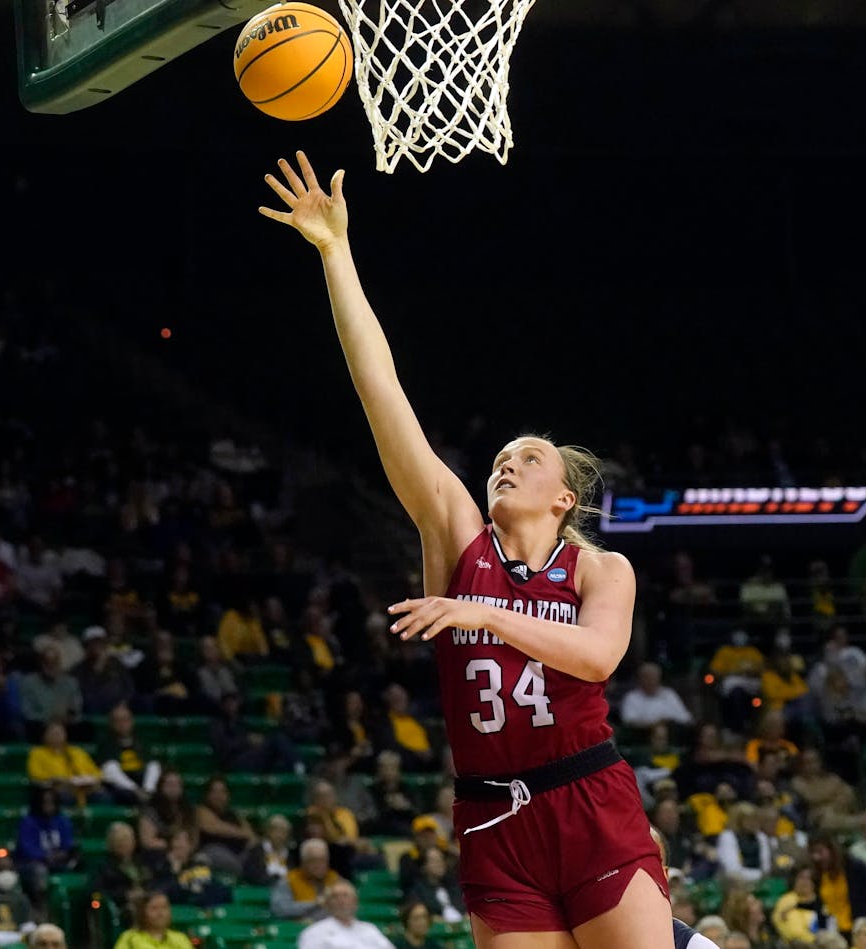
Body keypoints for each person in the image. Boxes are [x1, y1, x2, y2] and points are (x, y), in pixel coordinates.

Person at [259, 150, 670, 947]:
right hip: (491, 814)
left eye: (529, 457)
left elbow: (595, 657)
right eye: (498, 458)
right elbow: (384, 398)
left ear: (565, 497)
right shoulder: (457, 535)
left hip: (589, 800)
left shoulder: (598, 566)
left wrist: (481, 608)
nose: (505, 463)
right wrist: (336, 254)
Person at [16, 786, 81, 912]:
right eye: (45, 803)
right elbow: (26, 849)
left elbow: (68, 844)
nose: (48, 806)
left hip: (58, 862)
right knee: (39, 871)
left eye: (51, 802)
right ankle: (41, 908)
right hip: (34, 863)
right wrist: (45, 856)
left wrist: (64, 854)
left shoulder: (62, 821)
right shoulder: (28, 822)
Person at [26, 721, 104, 807]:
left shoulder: (77, 752)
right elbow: (35, 775)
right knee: (65, 797)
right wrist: (57, 780)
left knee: (103, 796)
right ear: (45, 735)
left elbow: (96, 773)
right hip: (58, 789)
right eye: (53, 733)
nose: (57, 736)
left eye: (60, 732)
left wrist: (92, 780)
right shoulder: (37, 753)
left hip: (84, 789)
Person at [297, 882, 396, 949]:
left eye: (345, 895)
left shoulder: (370, 929)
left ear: (355, 902)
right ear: (327, 904)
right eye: (335, 896)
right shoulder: (314, 932)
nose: (341, 901)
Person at [96, 702, 161, 804]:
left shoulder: (141, 741)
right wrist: (135, 790)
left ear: (132, 721)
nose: (122, 724)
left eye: (125, 720)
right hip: (122, 786)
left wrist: (148, 789)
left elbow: (153, 764)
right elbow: (110, 771)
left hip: (142, 781)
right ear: (111, 723)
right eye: (118, 721)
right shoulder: (106, 743)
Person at [195, 776, 258, 877]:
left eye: (222, 792)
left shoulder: (234, 814)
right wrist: (241, 833)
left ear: (228, 795)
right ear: (207, 795)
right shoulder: (202, 810)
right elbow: (214, 827)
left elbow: (252, 837)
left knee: (257, 851)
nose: (218, 795)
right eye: (214, 792)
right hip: (212, 851)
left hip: (238, 854)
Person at [273, 838, 343, 922]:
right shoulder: (289, 880)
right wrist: (315, 904)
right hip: (299, 928)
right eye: (313, 861)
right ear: (303, 862)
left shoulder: (335, 879)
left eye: (323, 860)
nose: (319, 865)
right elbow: (280, 909)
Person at [91, 822, 147, 922]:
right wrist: (125, 895)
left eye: (127, 839)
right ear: (111, 843)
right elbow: (96, 894)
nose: (124, 844)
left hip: (147, 903)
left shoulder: (143, 862)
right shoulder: (103, 866)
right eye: (120, 840)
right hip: (120, 908)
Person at [620, 661, 694, 729]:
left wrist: (666, 721)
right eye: (647, 677)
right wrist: (653, 724)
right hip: (643, 736)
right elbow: (628, 720)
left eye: (654, 677)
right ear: (640, 679)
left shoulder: (669, 694)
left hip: (672, 734)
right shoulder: (631, 697)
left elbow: (686, 718)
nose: (651, 680)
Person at [111, 892, 191, 949]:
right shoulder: (129, 938)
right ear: (142, 912)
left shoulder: (180, 938)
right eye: (154, 908)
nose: (160, 913)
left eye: (164, 907)